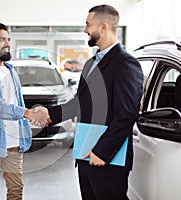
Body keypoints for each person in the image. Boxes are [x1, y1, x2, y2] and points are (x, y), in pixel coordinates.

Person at [46, 4, 144, 200]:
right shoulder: (92, 63)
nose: (85, 30)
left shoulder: (126, 64)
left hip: (107, 160)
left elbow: (126, 115)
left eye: (88, 24)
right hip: (85, 155)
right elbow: (80, 103)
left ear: (104, 27)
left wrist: (102, 152)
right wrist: (49, 115)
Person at [0, 23, 48, 200]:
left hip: (15, 141)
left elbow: (17, 102)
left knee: (16, 190)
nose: (7, 43)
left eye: (8, 39)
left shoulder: (11, 71)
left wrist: (32, 114)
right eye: (2, 39)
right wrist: (28, 113)